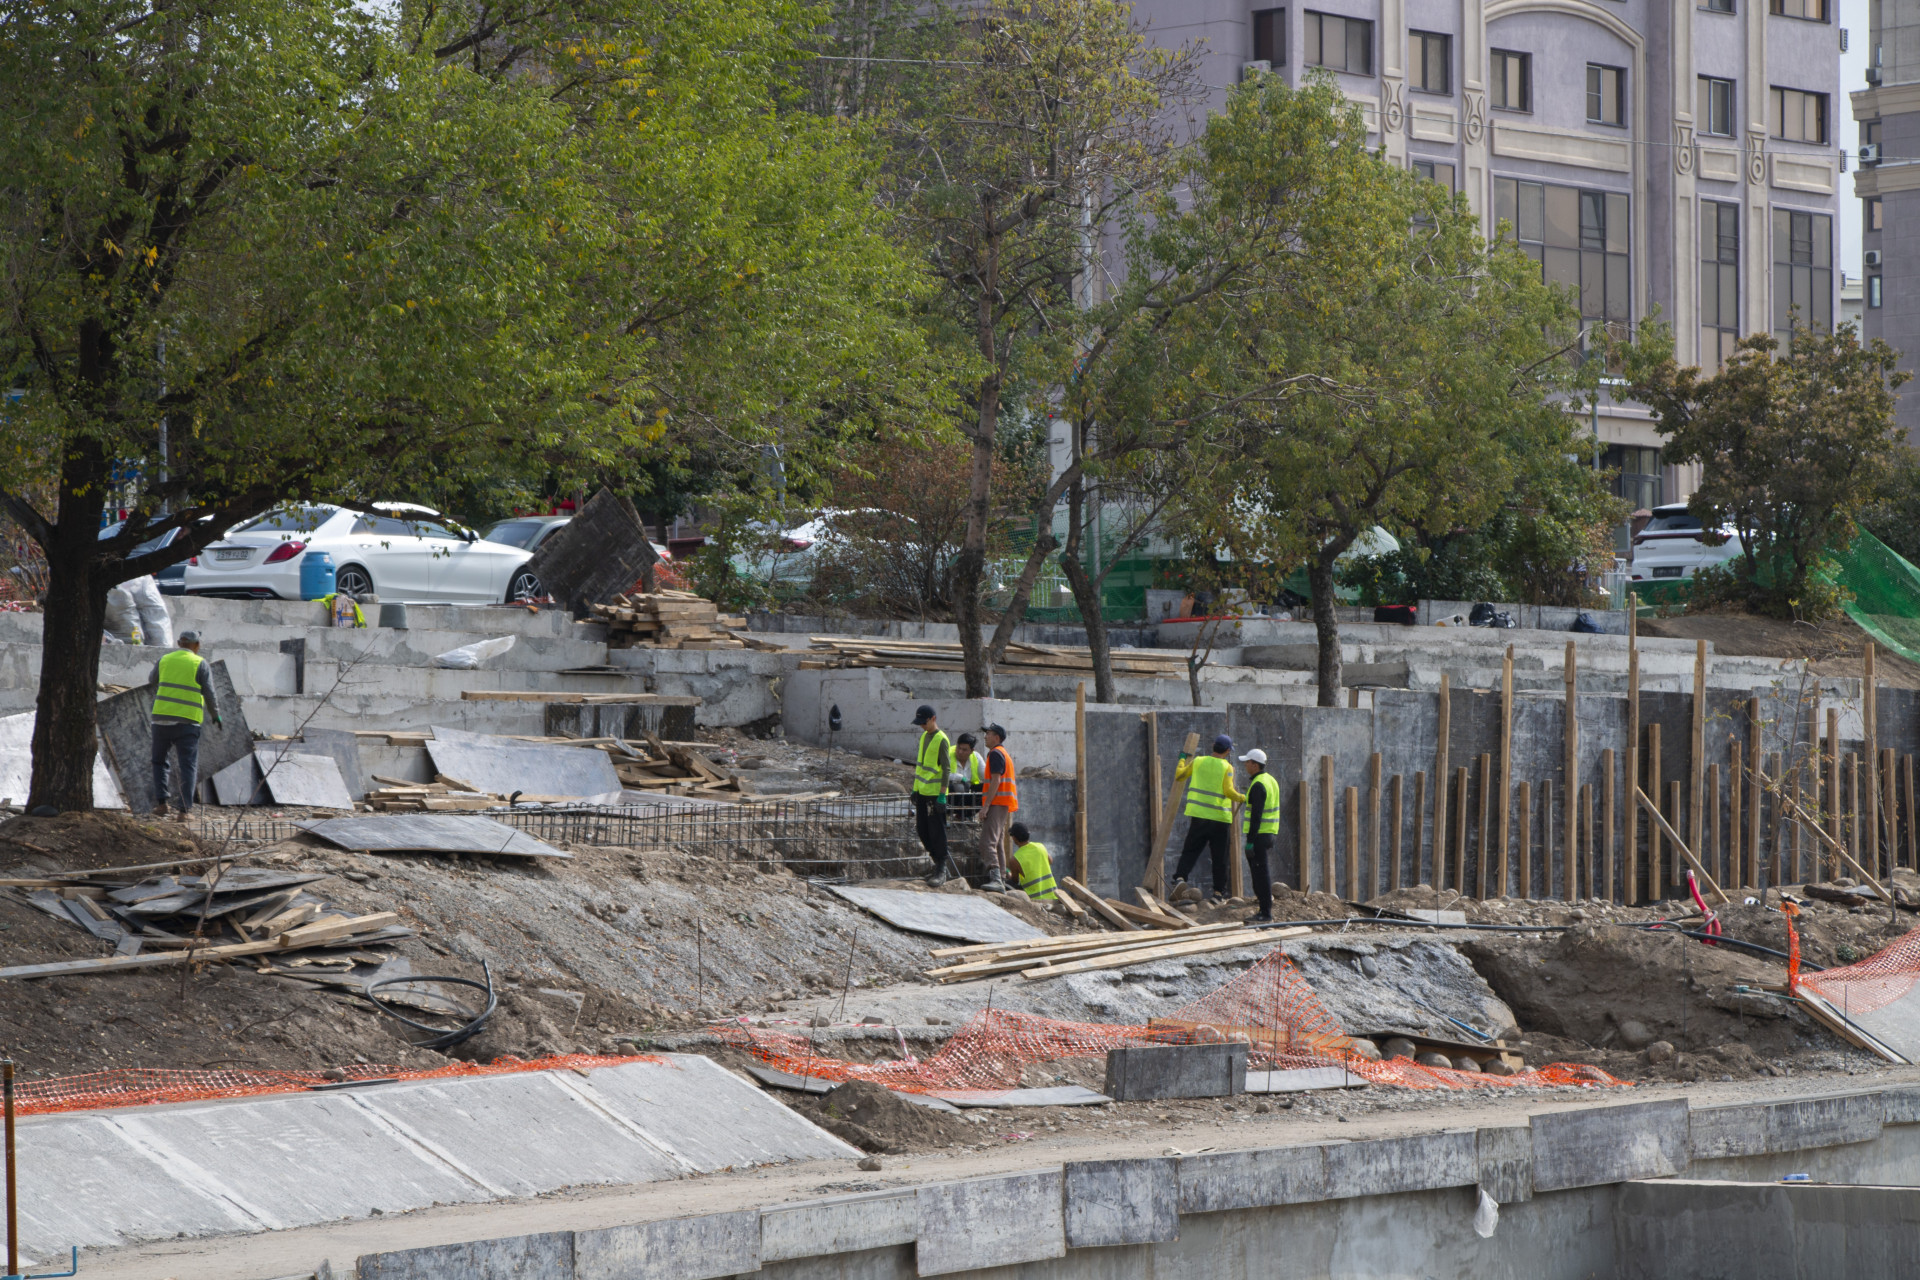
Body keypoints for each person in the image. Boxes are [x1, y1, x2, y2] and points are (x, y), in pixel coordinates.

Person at [148, 630, 223, 822]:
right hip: (187, 722)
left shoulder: (164, 659)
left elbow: (152, 680)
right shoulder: (200, 663)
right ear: (197, 645)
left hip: (161, 720)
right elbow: (210, 693)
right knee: (187, 766)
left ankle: (162, 804)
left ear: (179, 643)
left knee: (159, 762)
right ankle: (184, 812)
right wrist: (216, 716)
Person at [1169, 734, 1244, 904]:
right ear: (1227, 751)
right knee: (1219, 857)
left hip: (1199, 816)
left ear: (1213, 746)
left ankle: (1180, 878)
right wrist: (1242, 798)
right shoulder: (1228, 767)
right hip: (1219, 819)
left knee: (1190, 850)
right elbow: (1228, 792)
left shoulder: (1198, 761)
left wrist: (1182, 759)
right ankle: (1218, 893)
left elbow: (1180, 775)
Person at [911, 705, 955, 886]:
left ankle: (941, 867)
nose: (922, 726)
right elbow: (920, 766)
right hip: (922, 791)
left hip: (935, 794)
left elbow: (946, 768)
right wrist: (915, 789)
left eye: (924, 722)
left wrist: (942, 795)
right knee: (922, 829)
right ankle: (936, 862)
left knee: (938, 831)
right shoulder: (924, 737)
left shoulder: (941, 739)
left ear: (933, 719)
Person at [976, 724, 1017, 892]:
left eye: (989, 734)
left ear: (997, 738)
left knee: (987, 841)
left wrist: (985, 807)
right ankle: (1000, 877)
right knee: (998, 842)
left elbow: (995, 781)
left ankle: (996, 878)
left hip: (997, 803)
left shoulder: (995, 754)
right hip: (1002, 803)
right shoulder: (1003, 754)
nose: (985, 736)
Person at [1240, 748, 1279, 922]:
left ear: (1254, 765)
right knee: (1261, 871)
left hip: (1258, 836)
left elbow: (1256, 815)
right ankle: (1263, 905)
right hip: (1269, 833)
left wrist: (1250, 842)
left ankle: (1265, 913)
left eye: (1247, 762)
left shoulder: (1258, 785)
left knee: (1260, 872)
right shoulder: (1270, 780)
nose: (1245, 765)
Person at [1007, 821, 1057, 901]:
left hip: (1034, 898)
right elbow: (1050, 861)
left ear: (1014, 838)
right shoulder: (1040, 847)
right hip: (1053, 895)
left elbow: (1015, 881)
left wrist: (1009, 875)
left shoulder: (1015, 859)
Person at [948, 732, 983, 819]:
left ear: (971, 751)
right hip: (950, 793)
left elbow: (986, 776)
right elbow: (941, 775)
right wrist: (959, 777)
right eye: (958, 748)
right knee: (955, 786)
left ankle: (965, 815)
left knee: (985, 787)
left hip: (968, 792)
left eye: (964, 750)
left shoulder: (976, 757)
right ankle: (948, 814)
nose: (960, 752)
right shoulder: (948, 754)